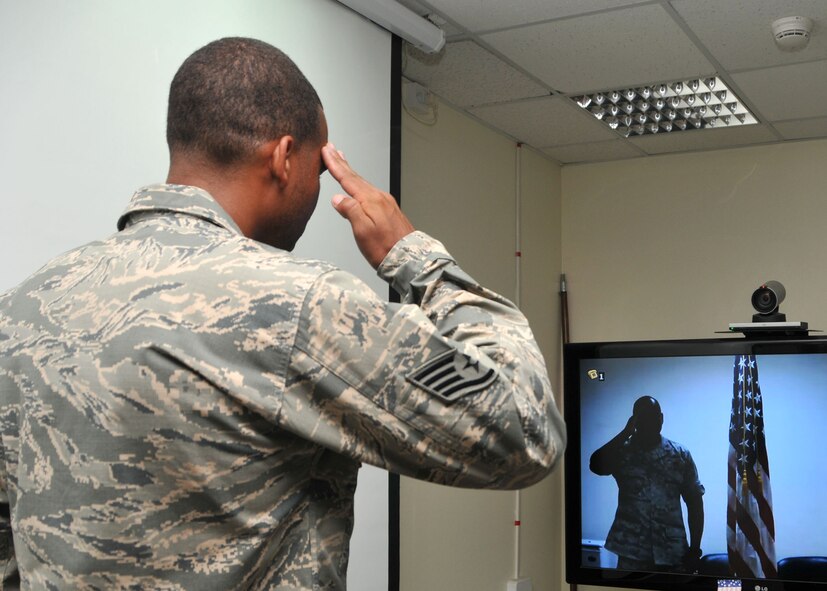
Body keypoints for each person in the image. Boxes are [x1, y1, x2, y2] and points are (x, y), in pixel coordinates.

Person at [0, 37, 566, 590]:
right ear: (283, 157)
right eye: (319, 173)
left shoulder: (22, 306)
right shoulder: (297, 304)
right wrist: (417, 260)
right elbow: (522, 429)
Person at [589, 395, 704, 573]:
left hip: (673, 552)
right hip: (631, 553)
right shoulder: (621, 453)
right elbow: (595, 465)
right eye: (643, 418)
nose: (649, 423)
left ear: (661, 418)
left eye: (653, 417)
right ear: (635, 421)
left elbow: (695, 502)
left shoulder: (680, 455)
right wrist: (625, 432)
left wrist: (695, 549)